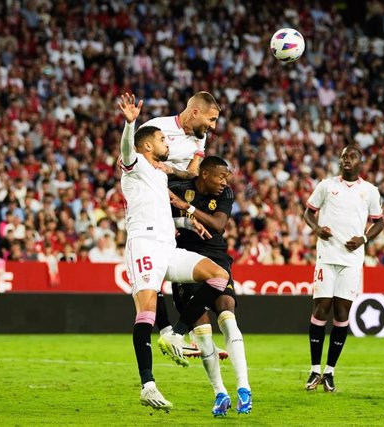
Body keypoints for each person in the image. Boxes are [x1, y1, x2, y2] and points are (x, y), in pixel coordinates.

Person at [118, 93, 230, 411]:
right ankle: (148, 385)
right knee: (147, 312)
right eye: (161, 141)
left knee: (218, 276)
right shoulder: (135, 165)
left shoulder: (157, 173)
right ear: (149, 145)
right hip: (144, 245)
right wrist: (130, 124)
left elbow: (172, 191)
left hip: (168, 244)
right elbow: (128, 149)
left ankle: (178, 333)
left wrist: (191, 222)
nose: (167, 143)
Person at [169, 156, 252, 416]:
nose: (224, 182)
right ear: (204, 174)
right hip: (185, 262)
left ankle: (244, 387)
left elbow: (218, 225)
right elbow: (161, 219)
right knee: (203, 330)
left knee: (227, 314)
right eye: (220, 176)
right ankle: (219, 392)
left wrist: (188, 209)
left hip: (215, 258)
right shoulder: (179, 189)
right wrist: (182, 219)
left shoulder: (224, 194)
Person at [303, 145, 384, 392]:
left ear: (361, 162)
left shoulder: (370, 191)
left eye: (352, 157)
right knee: (321, 308)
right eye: (343, 157)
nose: (346, 160)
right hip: (326, 256)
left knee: (341, 313)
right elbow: (308, 212)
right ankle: (315, 369)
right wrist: (317, 229)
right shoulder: (327, 186)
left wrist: (364, 238)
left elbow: (379, 223)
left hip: (352, 260)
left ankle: (330, 372)